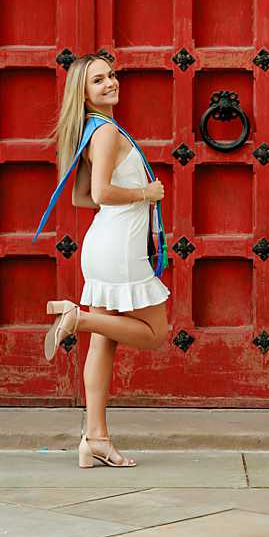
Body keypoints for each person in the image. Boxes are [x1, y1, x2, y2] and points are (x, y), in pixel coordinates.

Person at [33, 54, 172, 469]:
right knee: (153, 333)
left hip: (102, 245)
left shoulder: (91, 130)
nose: (110, 83)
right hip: (120, 247)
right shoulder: (106, 132)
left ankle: (95, 439)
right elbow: (100, 195)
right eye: (99, 80)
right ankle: (77, 318)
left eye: (111, 75)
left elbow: (79, 197)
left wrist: (122, 194)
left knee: (105, 344)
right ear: (85, 92)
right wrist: (146, 194)